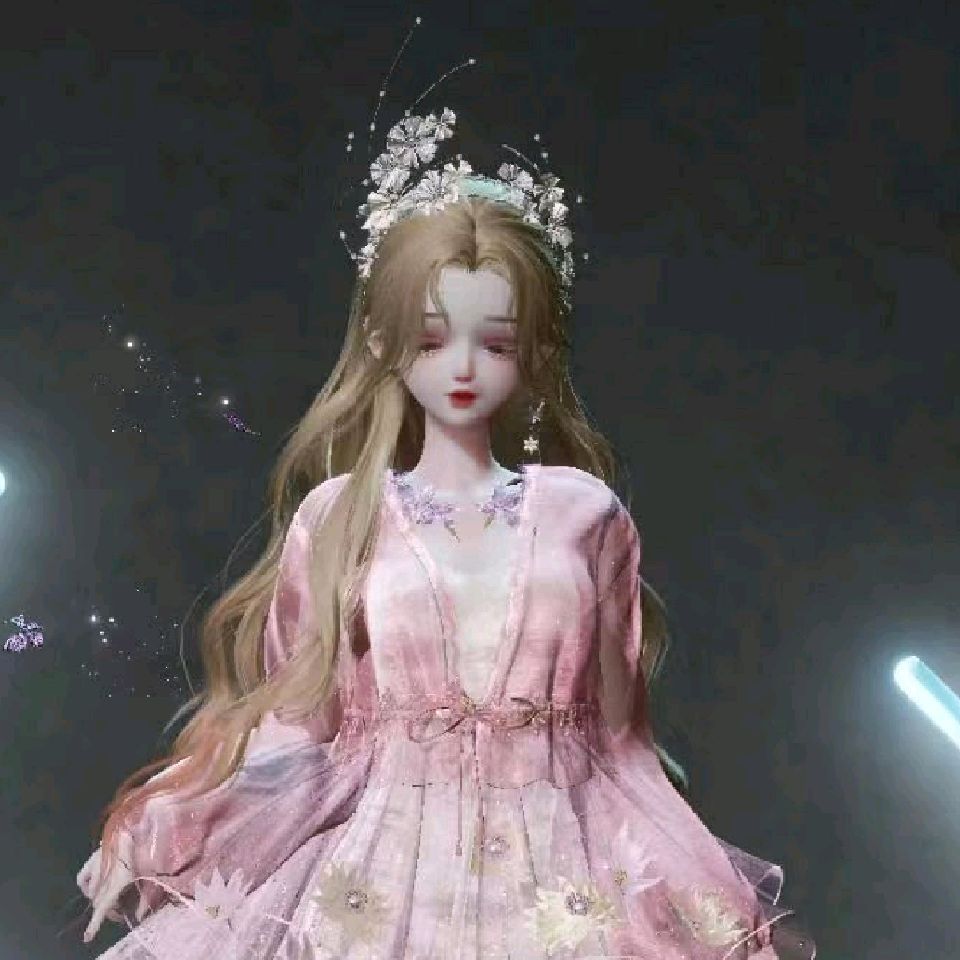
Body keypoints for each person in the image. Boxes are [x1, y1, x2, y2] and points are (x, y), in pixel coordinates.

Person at [76, 88, 813, 960]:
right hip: (377, 888)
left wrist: (697, 887)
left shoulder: (583, 513)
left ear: (532, 350)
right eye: (432, 340)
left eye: (494, 343)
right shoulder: (339, 516)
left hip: (561, 886)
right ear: (383, 342)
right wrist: (177, 818)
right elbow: (303, 727)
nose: (462, 367)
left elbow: (621, 743)